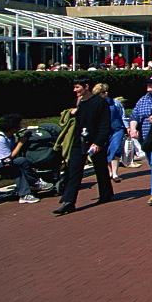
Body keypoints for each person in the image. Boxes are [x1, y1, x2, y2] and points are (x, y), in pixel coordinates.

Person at [54, 76, 112, 215]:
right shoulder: (78, 102)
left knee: (100, 169)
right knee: (74, 171)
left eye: (77, 87)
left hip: (94, 140)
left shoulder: (99, 102)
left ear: (86, 86)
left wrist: (99, 142)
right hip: (78, 141)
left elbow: (105, 124)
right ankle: (69, 202)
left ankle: (106, 193)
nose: (75, 90)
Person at [0, 114, 50, 203]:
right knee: (20, 161)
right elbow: (8, 157)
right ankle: (34, 183)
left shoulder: (10, 137)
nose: (20, 126)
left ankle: (25, 194)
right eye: (19, 124)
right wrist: (21, 143)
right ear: (13, 128)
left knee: (16, 170)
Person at [129, 76, 152, 206]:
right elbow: (134, 116)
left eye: (151, 83)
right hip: (145, 139)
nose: (149, 85)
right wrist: (132, 128)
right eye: (148, 83)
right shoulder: (142, 100)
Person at [93, 83, 127, 184]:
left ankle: (115, 173)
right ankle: (110, 171)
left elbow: (122, 115)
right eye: (103, 92)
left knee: (116, 148)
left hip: (117, 129)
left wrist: (128, 127)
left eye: (106, 91)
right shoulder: (96, 104)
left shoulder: (114, 102)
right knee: (107, 150)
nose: (106, 93)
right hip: (104, 131)